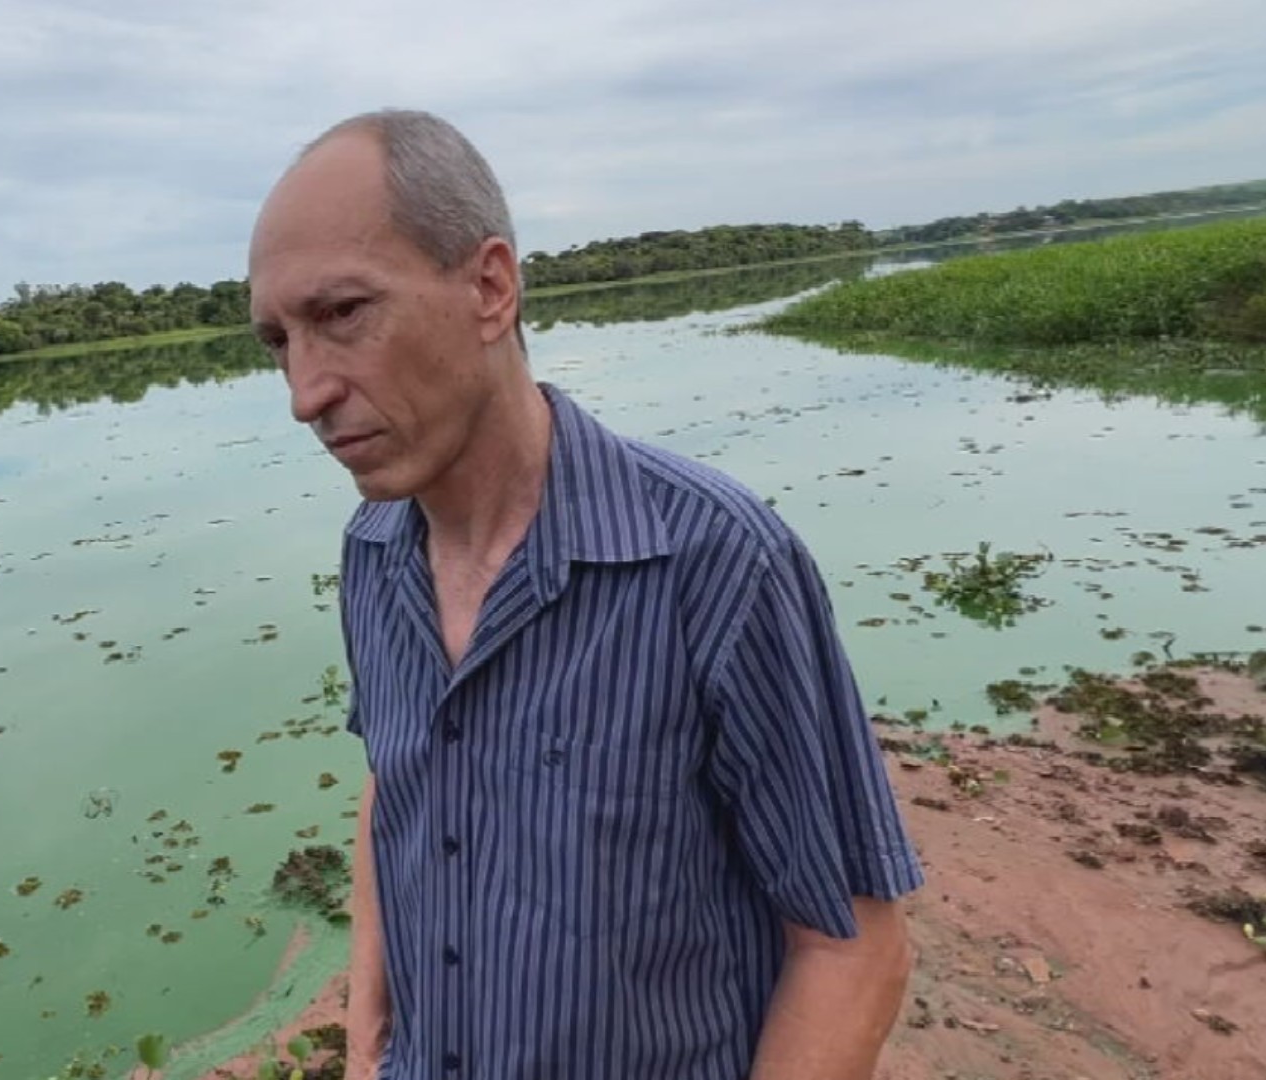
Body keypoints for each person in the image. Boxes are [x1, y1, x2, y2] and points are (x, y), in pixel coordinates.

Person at [247, 109, 923, 1080]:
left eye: (343, 314)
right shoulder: (372, 552)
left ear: (490, 287)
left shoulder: (718, 562)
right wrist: (366, 1030)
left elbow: (853, 944)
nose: (304, 392)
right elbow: (396, 775)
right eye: (278, 340)